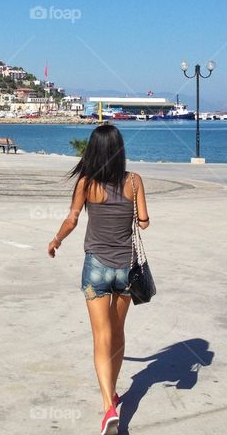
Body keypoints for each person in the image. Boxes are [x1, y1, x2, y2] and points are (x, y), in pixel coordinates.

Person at [47, 123, 149, 435]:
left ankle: (108, 407)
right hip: (126, 269)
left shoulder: (86, 183)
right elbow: (144, 223)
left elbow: (72, 219)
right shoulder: (134, 181)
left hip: (96, 268)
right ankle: (112, 395)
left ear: (93, 151)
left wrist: (56, 240)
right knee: (117, 336)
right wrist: (132, 213)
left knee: (101, 338)